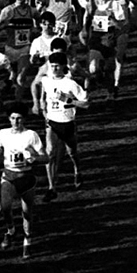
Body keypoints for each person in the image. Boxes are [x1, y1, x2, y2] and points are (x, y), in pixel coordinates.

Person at [0, 104, 45, 258]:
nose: (16, 122)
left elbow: (46, 157)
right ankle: (11, 231)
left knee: (27, 213)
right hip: (9, 175)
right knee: (5, 206)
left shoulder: (31, 135)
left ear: (24, 119)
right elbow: (0, 149)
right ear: (9, 119)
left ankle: (27, 241)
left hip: (26, 177)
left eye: (19, 118)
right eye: (13, 118)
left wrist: (34, 158)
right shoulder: (3, 133)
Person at [32, 54, 88, 193]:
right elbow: (40, 87)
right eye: (52, 66)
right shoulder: (46, 80)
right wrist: (41, 103)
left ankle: (77, 170)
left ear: (64, 66)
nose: (54, 68)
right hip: (52, 122)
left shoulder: (70, 84)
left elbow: (86, 104)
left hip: (68, 122)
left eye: (57, 65)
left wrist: (68, 101)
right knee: (50, 152)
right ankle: (52, 187)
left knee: (72, 152)